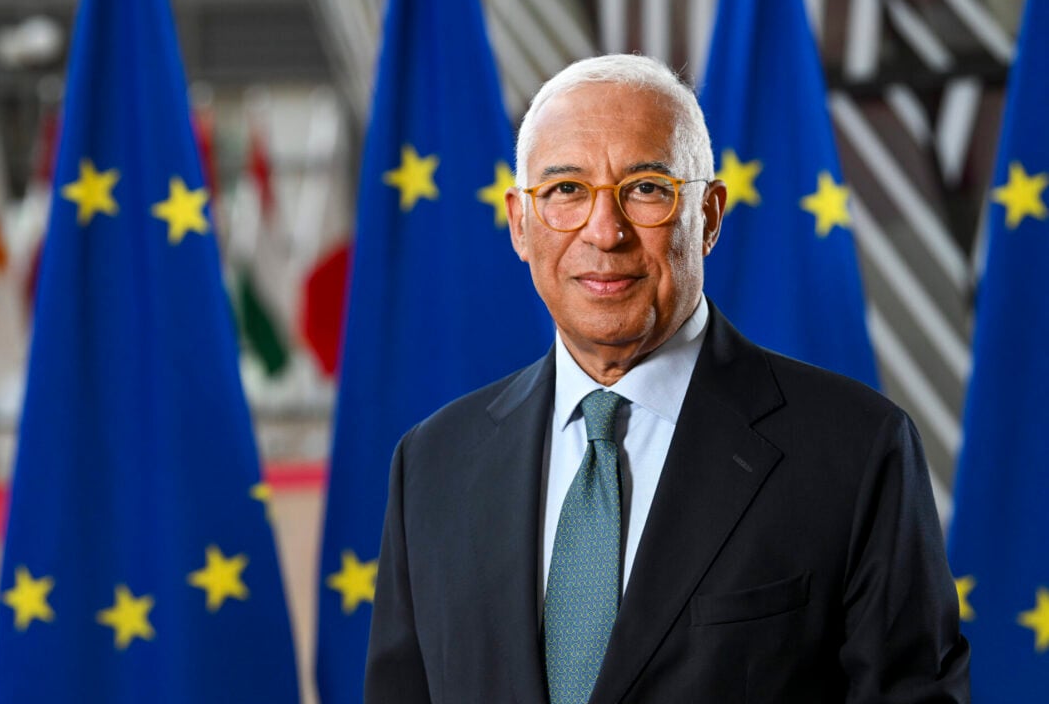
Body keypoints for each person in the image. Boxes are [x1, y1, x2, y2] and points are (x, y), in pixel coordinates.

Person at [364, 54, 970, 703]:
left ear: (708, 215)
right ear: (519, 222)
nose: (606, 232)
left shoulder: (856, 451)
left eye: (647, 188)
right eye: (566, 190)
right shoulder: (432, 464)